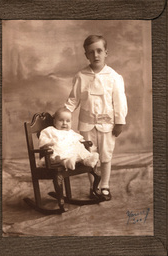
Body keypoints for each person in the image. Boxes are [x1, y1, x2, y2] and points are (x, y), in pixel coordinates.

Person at [65, 35, 128, 201]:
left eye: (99, 51)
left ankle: (105, 186)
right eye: (91, 52)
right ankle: (93, 187)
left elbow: (119, 101)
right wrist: (64, 113)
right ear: (86, 55)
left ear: (106, 52)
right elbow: (73, 99)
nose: (96, 55)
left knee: (106, 156)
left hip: (107, 125)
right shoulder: (81, 76)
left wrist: (120, 121)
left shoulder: (114, 77)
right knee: (89, 157)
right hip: (87, 125)